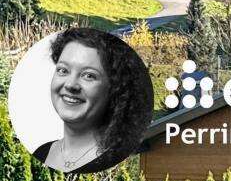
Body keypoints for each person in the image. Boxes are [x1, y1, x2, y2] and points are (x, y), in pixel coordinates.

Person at [34, 27, 153, 173]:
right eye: (63, 70)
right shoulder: (42, 152)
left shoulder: (116, 161)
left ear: (115, 88)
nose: (70, 84)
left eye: (89, 75)